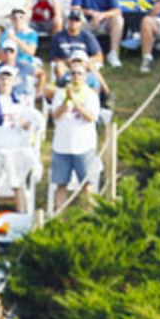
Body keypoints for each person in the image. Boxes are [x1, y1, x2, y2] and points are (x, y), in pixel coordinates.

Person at [0, 66, 36, 223]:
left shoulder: (20, 102)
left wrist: (24, 124)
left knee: (17, 184)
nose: (4, 82)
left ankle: (21, 217)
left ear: (14, 82)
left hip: (14, 148)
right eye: (2, 79)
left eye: (8, 79)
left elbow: (30, 123)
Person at [50, 55, 100, 211]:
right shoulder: (60, 94)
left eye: (79, 73)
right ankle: (59, 219)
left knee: (87, 184)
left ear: (85, 76)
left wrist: (76, 104)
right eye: (73, 73)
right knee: (60, 184)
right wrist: (65, 104)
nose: (76, 77)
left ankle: (89, 217)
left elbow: (92, 117)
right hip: (62, 146)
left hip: (84, 146)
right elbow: (55, 116)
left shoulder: (91, 95)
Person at [69, 0, 124, 68]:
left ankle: (113, 53)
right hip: (86, 22)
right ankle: (75, 52)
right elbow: (75, 8)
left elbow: (117, 10)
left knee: (118, 20)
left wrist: (101, 15)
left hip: (104, 22)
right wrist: (91, 13)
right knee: (72, 18)